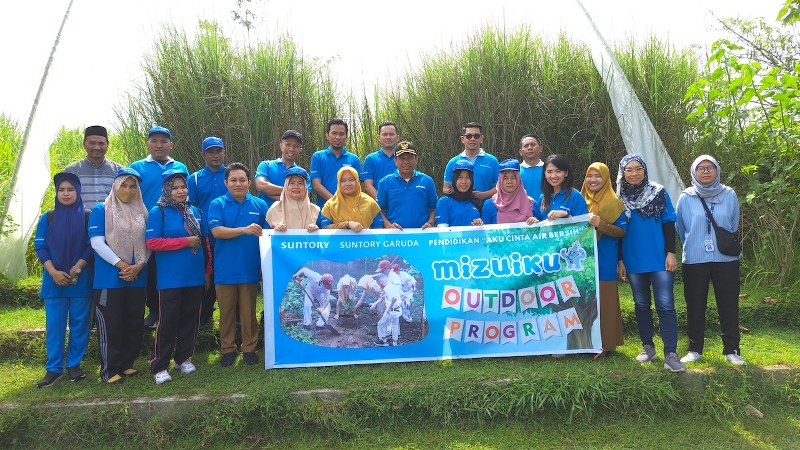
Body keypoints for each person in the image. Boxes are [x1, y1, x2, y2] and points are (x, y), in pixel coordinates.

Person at [616, 154, 685, 372]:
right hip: (633, 260)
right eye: (629, 170)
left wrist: (671, 253)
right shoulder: (618, 197)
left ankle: (671, 354)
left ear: (645, 170)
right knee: (641, 305)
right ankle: (648, 347)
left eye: (638, 169)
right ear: (622, 173)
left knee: (665, 305)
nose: (634, 173)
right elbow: (618, 232)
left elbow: (668, 222)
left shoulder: (658, 192)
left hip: (659, 259)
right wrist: (620, 260)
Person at [677, 155, 745, 366]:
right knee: (695, 304)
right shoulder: (685, 197)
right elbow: (681, 228)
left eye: (710, 168)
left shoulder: (729, 194)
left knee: (729, 304)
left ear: (717, 170)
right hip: (695, 259)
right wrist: (697, 243)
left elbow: (733, 224)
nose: (705, 171)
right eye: (701, 168)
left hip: (725, 258)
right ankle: (695, 349)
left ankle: (731, 350)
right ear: (693, 172)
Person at [146, 169, 209, 384]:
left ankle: (183, 358)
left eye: (183, 187)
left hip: (194, 275)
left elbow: (205, 242)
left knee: (191, 318)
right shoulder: (158, 212)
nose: (180, 191)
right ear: (167, 190)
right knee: (168, 321)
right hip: (170, 277)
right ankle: (159, 365)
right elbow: (152, 242)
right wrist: (184, 242)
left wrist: (207, 271)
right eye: (175, 188)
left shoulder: (195, 211)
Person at [88, 168, 150, 384]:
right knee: (110, 323)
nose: (128, 190)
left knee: (133, 321)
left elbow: (148, 243)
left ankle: (127, 364)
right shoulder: (101, 210)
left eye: (133, 186)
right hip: (110, 278)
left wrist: (140, 265)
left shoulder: (142, 211)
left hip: (137, 276)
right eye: (124, 185)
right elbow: (97, 243)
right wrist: (123, 265)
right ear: (115, 186)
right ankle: (109, 369)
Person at [33, 172, 94, 387]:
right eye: (61, 190)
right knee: (55, 326)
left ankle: (74, 364)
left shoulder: (87, 216)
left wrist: (77, 268)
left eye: (70, 189)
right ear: (57, 193)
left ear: (78, 191)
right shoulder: (48, 217)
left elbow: (90, 245)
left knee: (80, 325)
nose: (66, 194)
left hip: (81, 280)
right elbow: (40, 246)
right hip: (54, 281)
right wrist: (54, 273)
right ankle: (54, 368)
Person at [208, 163, 268, 367]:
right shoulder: (217, 204)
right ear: (226, 182)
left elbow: (268, 235)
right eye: (233, 180)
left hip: (250, 268)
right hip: (225, 268)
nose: (238, 184)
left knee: (248, 312)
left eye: (242, 180)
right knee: (226, 313)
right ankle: (228, 349)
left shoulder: (260, 205)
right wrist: (244, 230)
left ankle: (249, 349)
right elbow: (216, 232)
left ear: (249, 182)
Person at [130, 126, 189, 329]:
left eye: (164, 141)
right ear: (148, 143)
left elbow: (184, 196)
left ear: (171, 144)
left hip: (173, 226)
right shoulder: (138, 167)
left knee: (169, 267)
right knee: (150, 268)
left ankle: (174, 310)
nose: (159, 145)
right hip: (145, 226)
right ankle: (154, 309)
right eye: (154, 140)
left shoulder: (180, 167)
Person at [580, 162, 626, 358]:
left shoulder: (614, 202)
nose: (593, 180)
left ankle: (606, 345)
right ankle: (583, 343)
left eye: (598, 176)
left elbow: (622, 231)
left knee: (605, 300)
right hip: (582, 260)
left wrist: (602, 224)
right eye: (589, 176)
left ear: (606, 178)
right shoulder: (578, 199)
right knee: (583, 299)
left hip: (605, 256)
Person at [188, 136, 228, 326]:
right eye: (211, 152)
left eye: (218, 151)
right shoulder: (194, 178)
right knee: (206, 280)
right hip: (205, 237)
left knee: (226, 278)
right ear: (203, 154)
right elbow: (191, 209)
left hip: (228, 236)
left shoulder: (231, 175)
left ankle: (233, 320)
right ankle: (204, 320)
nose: (215, 155)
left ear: (224, 152)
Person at [376, 141, 437, 230]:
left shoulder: (427, 181)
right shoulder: (385, 183)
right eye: (402, 158)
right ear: (395, 161)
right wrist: (388, 225)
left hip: (422, 235)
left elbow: (434, 208)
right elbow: (378, 210)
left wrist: (430, 223)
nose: (406, 162)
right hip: (395, 237)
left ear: (416, 159)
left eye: (409, 158)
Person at [64, 125, 124, 209]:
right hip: (80, 220)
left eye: (101, 143)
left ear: (107, 145)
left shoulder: (119, 171)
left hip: (109, 221)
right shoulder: (71, 171)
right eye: (92, 143)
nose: (96, 147)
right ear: (84, 144)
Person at [310, 119, 363, 208]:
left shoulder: (354, 159)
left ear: (346, 136)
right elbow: (316, 185)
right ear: (327, 135)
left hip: (349, 209)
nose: (338, 137)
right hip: (324, 209)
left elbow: (358, 185)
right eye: (334, 133)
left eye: (341, 134)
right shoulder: (318, 157)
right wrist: (337, 202)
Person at [442, 122, 499, 200]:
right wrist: (461, 194)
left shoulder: (492, 161)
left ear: (481, 138)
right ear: (462, 139)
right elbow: (446, 188)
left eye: (476, 136)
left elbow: (500, 186)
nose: (472, 139)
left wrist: (485, 195)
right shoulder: (453, 162)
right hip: (461, 208)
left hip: (485, 207)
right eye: (468, 136)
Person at [255, 130, 310, 210]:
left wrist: (270, 193)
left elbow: (304, 196)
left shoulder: (303, 173)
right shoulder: (266, 165)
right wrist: (293, 193)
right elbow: (261, 186)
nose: (291, 149)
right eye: (288, 144)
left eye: (296, 146)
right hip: (265, 217)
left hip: (292, 218)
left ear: (300, 149)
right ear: (281, 146)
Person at [320, 166, 381, 231]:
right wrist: (347, 224)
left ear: (357, 181)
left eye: (351, 180)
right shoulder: (330, 205)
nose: (348, 184)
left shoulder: (369, 202)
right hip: (338, 241)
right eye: (343, 181)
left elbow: (378, 228)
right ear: (339, 184)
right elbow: (325, 228)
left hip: (366, 241)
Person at [481, 159, 538, 225]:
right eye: (505, 178)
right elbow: (484, 232)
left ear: (519, 180)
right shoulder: (489, 204)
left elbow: (542, 231)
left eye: (513, 177)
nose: (509, 181)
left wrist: (536, 223)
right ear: (500, 180)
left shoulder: (531, 203)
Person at [266, 166, 320, 233]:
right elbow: (265, 235)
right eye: (292, 183)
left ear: (305, 187)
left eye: (300, 183)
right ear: (286, 186)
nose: (296, 187)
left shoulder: (316, 211)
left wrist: (318, 230)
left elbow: (326, 238)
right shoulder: (274, 209)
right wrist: (275, 230)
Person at [534, 154, 588, 221]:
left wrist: (566, 215)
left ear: (566, 173)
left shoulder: (575, 196)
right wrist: (533, 221)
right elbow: (540, 225)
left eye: (558, 171)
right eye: (549, 172)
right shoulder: (542, 198)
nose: (553, 176)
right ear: (544, 174)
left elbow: (584, 225)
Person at [434, 160, 483, 227]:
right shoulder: (444, 201)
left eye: (467, 177)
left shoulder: (476, 200)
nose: (464, 182)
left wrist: (478, 225)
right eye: (460, 177)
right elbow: (442, 233)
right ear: (454, 179)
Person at [362, 121, 400, 199]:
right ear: (379, 138)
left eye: (391, 134)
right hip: (379, 208)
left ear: (397, 137)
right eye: (385, 134)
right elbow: (368, 185)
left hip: (401, 206)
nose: (388, 137)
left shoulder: (404, 158)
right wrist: (381, 202)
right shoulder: (370, 159)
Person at [519, 133, 545, 202]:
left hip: (546, 211)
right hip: (521, 211)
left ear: (540, 148)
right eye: (526, 146)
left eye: (533, 145)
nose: (530, 148)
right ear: (520, 152)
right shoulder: (515, 171)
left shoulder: (549, 170)